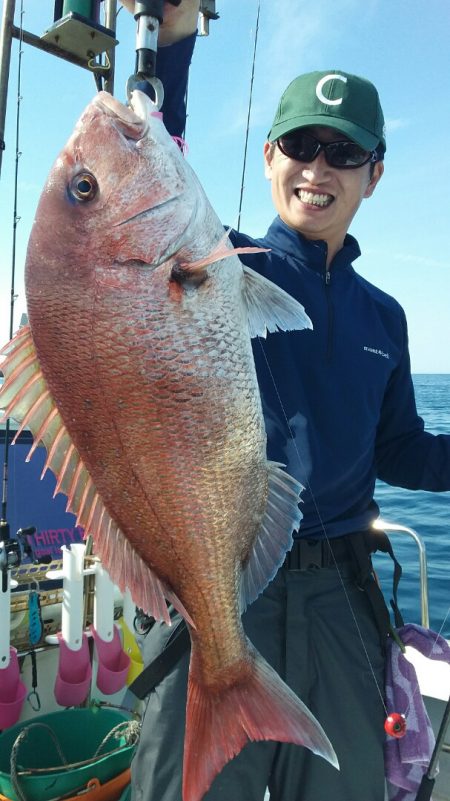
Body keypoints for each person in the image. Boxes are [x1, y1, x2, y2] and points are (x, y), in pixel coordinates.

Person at [121, 3, 450, 800]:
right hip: (220, 581)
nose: (318, 167)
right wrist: (172, 42)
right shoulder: (215, 263)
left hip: (342, 597)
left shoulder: (386, 316)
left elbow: (400, 446)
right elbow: (148, 173)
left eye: (344, 152)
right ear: (270, 157)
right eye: (301, 145)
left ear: (375, 174)